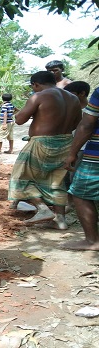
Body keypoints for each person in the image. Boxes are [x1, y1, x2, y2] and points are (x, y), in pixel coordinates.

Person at [8, 71, 81, 230]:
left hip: (41, 142)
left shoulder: (39, 96)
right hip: (65, 141)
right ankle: (60, 220)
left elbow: (20, 120)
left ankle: (42, 209)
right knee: (56, 181)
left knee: (21, 177)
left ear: (35, 84)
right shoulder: (73, 98)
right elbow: (77, 123)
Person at [62, 86, 99, 250]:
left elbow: (87, 124)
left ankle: (92, 240)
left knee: (80, 192)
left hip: (96, 155)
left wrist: (72, 153)